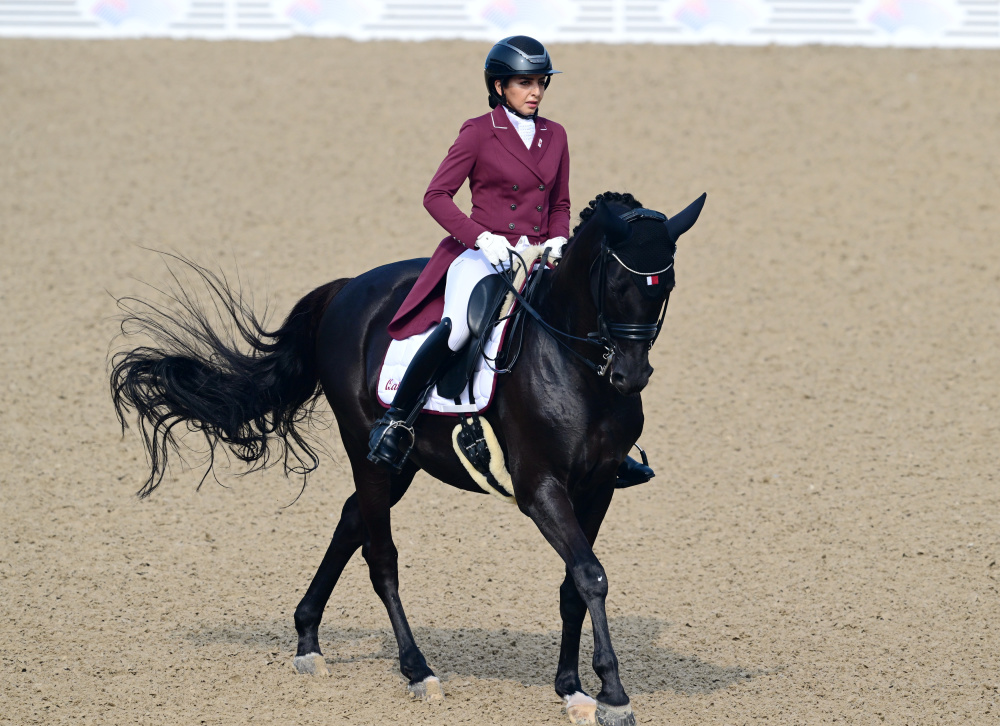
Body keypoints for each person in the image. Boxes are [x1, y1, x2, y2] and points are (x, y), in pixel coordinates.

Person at [368, 36, 654, 487]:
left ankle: (608, 446)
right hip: (482, 255)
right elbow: (436, 196)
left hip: (538, 255)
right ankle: (398, 421)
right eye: (525, 83)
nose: (535, 91)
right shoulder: (478, 132)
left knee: (588, 321)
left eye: (540, 82)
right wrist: (481, 238)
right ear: (500, 87)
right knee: (460, 327)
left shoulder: (555, 135)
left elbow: (560, 203)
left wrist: (559, 239)